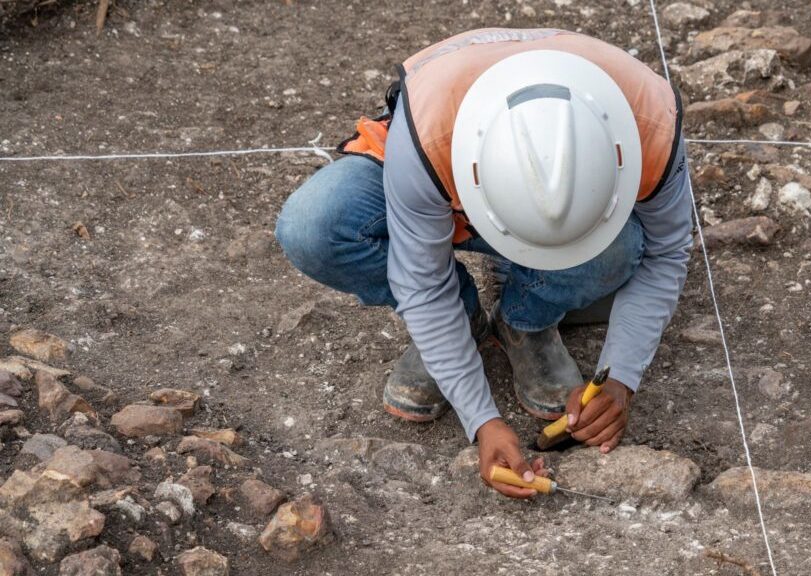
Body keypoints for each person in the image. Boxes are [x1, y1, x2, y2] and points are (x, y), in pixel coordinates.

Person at [275, 28, 694, 499]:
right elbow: (423, 283)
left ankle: (526, 319)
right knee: (313, 228)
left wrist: (620, 380)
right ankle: (466, 321)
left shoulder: (650, 123)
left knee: (624, 248)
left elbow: (666, 250)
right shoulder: (431, 134)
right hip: (433, 157)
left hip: (481, 169)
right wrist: (483, 422)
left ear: (617, 162)